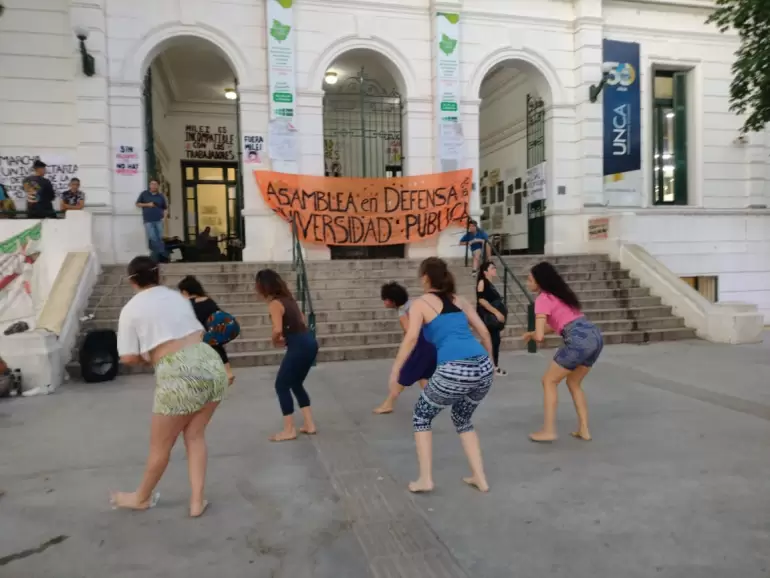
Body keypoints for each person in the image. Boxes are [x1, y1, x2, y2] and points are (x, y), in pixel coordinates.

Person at [110, 256, 227, 517]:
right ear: (159, 275)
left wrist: (148, 356)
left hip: (178, 373)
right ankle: (197, 501)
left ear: (131, 281)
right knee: (195, 435)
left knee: (160, 447)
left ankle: (141, 497)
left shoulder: (130, 309)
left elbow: (127, 357)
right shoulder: (177, 297)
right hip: (209, 361)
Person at [389, 257, 495, 493]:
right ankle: (480, 477)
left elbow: (412, 337)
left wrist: (397, 368)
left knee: (421, 417)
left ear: (425, 277)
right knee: (463, 418)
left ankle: (425, 479)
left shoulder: (420, 303)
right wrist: (491, 365)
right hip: (482, 366)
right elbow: (485, 333)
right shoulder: (461, 300)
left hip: (454, 368)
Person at [523, 261, 604, 443]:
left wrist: (534, 334)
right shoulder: (562, 296)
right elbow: (561, 323)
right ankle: (584, 429)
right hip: (594, 336)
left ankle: (549, 430)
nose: (527, 283)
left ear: (540, 282)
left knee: (549, 381)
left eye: (529, 280)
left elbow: (541, 336)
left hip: (577, 340)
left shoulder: (543, 299)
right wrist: (533, 332)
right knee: (574, 382)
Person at [255, 268, 318, 441]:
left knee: (281, 385)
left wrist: (275, 339)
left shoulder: (275, 304)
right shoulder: (290, 300)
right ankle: (309, 424)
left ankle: (289, 429)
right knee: (296, 383)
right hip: (309, 342)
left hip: (298, 346)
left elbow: (277, 329)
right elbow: (302, 320)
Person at [373, 282, 436, 415]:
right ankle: (432, 401)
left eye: (385, 300)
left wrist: (406, 350)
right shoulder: (413, 303)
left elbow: (410, 332)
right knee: (422, 374)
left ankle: (388, 403)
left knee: (403, 374)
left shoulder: (403, 311)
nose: (384, 302)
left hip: (420, 345)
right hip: (430, 341)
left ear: (393, 301)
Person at [178, 275, 235, 386]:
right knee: (217, 348)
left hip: (199, 335)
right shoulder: (208, 300)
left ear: (185, 291)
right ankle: (228, 372)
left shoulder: (189, 304)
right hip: (214, 331)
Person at [476, 261, 507, 376]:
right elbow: (481, 300)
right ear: (485, 272)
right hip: (487, 316)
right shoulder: (482, 282)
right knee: (493, 340)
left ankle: (485, 364)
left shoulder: (490, 283)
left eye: (495, 268)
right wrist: (497, 313)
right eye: (492, 268)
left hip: (491, 316)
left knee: (491, 340)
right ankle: (493, 367)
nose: (495, 270)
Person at [136, 179, 168, 263]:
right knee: (153, 237)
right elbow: (137, 204)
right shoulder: (144, 194)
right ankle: (159, 256)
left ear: (158, 186)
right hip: (148, 220)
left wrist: (164, 218)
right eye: (152, 184)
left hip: (159, 220)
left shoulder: (161, 196)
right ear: (149, 185)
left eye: (155, 184)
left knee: (159, 238)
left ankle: (158, 257)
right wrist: (148, 204)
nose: (153, 186)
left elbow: (165, 208)